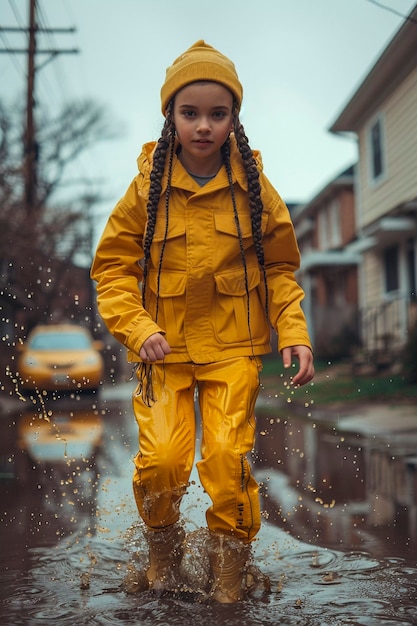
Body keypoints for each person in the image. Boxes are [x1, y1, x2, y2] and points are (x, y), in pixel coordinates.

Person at [91, 40, 314, 603]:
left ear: (235, 118)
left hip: (233, 348)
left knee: (225, 460)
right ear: (170, 116)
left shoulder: (256, 192)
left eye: (219, 113)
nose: (204, 126)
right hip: (160, 353)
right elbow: (112, 270)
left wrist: (293, 331)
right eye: (190, 113)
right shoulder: (146, 192)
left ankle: (230, 577)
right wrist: (140, 331)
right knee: (164, 460)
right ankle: (162, 556)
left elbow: (282, 268)